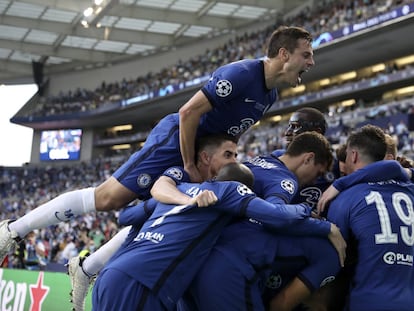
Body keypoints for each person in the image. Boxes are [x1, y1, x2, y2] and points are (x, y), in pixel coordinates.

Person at [0, 25, 315, 262]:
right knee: (110, 198)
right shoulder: (242, 74)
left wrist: (219, 159)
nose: (311, 62)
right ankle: (13, 229)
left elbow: (233, 131)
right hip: (176, 140)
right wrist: (190, 164)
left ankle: (87, 269)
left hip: (203, 152)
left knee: (169, 214)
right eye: (306, 54)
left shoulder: (270, 95)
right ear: (284, 53)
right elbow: (188, 111)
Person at [91, 162, 323, 311]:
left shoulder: (177, 190)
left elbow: (126, 216)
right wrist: (305, 209)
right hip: (143, 283)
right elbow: (279, 216)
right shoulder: (228, 191)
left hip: (111, 275)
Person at [68, 133, 239, 310]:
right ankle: (87, 267)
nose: (234, 161)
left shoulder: (226, 190)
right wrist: (185, 201)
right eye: (228, 155)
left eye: (235, 155)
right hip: (138, 276)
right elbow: (148, 197)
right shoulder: (185, 174)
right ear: (205, 157)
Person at [186, 131, 344, 311]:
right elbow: (275, 216)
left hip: (196, 255)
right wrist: (322, 224)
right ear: (308, 159)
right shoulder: (285, 180)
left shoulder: (259, 160)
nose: (314, 180)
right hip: (229, 268)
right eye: (318, 173)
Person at [326, 125, 414, 311]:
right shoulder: (410, 189)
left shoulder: (344, 197)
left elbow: (334, 258)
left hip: (367, 300)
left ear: (354, 156)